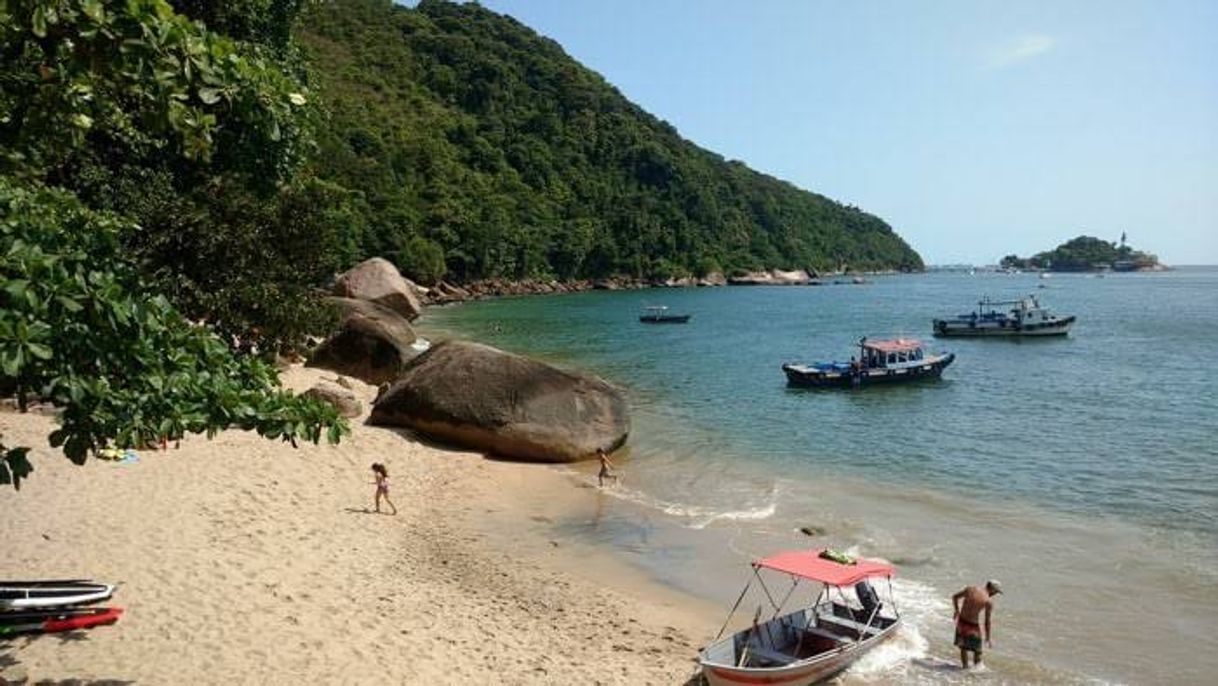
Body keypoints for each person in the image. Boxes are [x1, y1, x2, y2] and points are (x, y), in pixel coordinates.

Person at [951, 580, 1001, 669]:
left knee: (963, 648)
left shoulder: (970, 589)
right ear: (992, 589)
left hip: (961, 622)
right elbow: (987, 621)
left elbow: (954, 597)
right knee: (978, 651)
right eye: (996, 592)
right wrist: (988, 638)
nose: (995, 594)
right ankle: (977, 674)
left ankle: (964, 669)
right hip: (972, 626)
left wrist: (956, 610)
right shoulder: (988, 601)